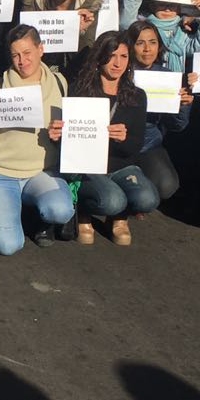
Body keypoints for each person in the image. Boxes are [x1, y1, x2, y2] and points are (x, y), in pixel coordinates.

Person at [0, 25, 74, 254]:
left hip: (41, 172)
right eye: (16, 55)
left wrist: (61, 134)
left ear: (41, 49)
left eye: (27, 53)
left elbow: (67, 133)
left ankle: (35, 217)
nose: (22, 61)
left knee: (60, 211)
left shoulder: (59, 83)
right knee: (7, 245)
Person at [68, 32, 160, 244]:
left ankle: (119, 217)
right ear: (99, 58)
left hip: (122, 165)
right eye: (111, 56)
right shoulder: (79, 91)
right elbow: (72, 143)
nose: (117, 63)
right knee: (112, 200)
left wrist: (123, 138)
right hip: (88, 166)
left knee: (148, 198)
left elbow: (135, 147)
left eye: (124, 56)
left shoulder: (137, 95)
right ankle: (84, 211)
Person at [127, 20, 193, 203]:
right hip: (118, 144)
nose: (147, 49)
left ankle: (141, 187)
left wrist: (183, 105)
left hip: (149, 143)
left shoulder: (167, 76)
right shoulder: (120, 72)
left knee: (167, 186)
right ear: (131, 46)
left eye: (153, 42)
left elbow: (177, 125)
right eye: (140, 43)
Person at [20, 0, 103, 76]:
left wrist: (77, 32)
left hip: (74, 72)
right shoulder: (31, 1)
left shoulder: (89, 3)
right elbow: (23, 46)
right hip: (38, 69)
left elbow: (86, 56)